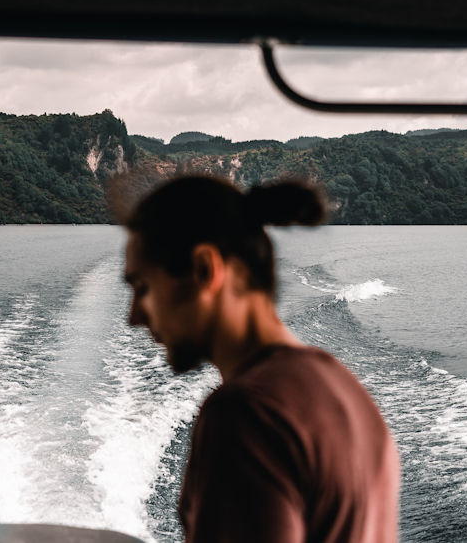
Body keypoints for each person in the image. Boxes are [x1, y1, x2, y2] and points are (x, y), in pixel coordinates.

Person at [119, 175, 399, 543]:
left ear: (205, 269)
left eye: (143, 288)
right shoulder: (345, 388)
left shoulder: (245, 415)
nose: (134, 316)